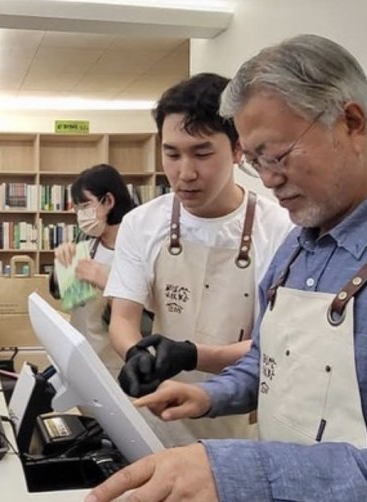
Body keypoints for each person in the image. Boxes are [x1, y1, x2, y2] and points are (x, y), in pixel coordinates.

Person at [88, 34, 367, 502]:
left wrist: (241, 472)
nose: (269, 179)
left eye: (277, 156)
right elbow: (270, 362)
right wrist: (209, 396)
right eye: (256, 161)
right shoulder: (299, 246)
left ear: (351, 122)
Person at [104, 72, 293, 440]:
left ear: (239, 150)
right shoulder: (142, 223)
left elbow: (271, 345)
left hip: (241, 419)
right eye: (171, 154)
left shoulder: (281, 229)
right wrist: (136, 356)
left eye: (202, 153)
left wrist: (191, 355)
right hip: (159, 412)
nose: (184, 173)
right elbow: (122, 318)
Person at [50, 163, 137, 375]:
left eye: (85, 205)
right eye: (77, 208)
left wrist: (108, 283)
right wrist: (62, 266)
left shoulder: (138, 249)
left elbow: (150, 318)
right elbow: (64, 295)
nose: (80, 214)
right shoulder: (87, 245)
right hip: (83, 356)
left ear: (108, 201)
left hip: (117, 364)